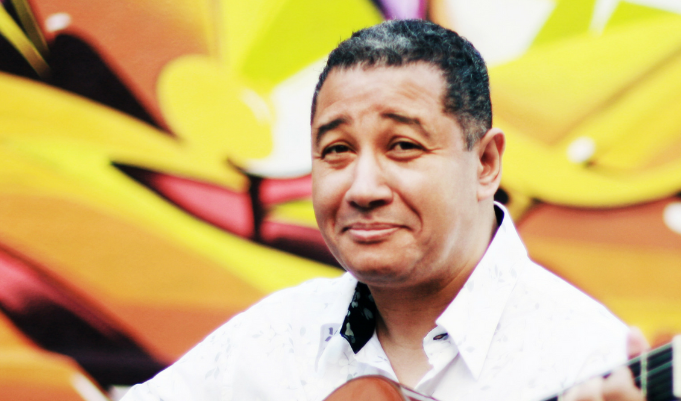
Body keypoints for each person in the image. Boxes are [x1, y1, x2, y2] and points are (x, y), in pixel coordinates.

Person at [121, 19, 644, 401]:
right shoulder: (274, 339)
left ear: (485, 163)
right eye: (337, 150)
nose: (363, 188)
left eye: (403, 146)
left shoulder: (590, 360)